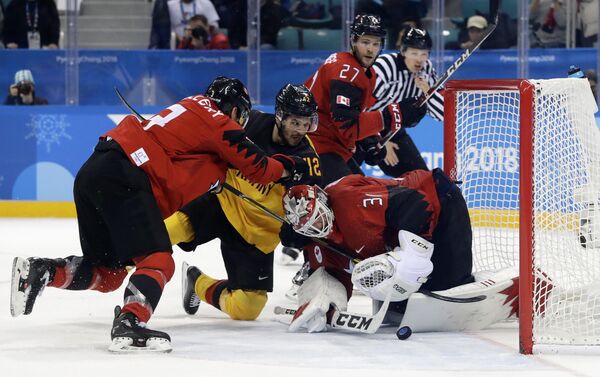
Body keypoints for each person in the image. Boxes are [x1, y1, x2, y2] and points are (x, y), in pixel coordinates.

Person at [10, 76, 309, 353]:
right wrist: (293, 167)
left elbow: (189, 159)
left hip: (95, 171)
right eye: (240, 115)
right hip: (126, 176)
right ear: (232, 110)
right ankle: (130, 323)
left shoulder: (192, 109)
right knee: (158, 259)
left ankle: (42, 271)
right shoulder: (219, 122)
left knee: (109, 274)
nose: (241, 123)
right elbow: (260, 168)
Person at [168, 84, 321, 321]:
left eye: (306, 123)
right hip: (222, 202)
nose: (300, 130)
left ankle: (196, 282)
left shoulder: (307, 159)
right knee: (168, 229)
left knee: (248, 308)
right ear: (280, 116)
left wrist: (293, 231)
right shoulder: (251, 123)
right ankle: (109, 262)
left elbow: (301, 215)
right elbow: (212, 141)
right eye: (295, 122)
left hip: (255, 235)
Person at [280, 169, 480, 332]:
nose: (318, 227)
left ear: (324, 202)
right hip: (403, 230)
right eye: (309, 228)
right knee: (401, 302)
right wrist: (325, 305)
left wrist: (413, 255)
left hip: (439, 199)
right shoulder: (318, 242)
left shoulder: (349, 200)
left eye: (318, 218)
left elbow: (416, 204)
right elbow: (333, 276)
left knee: (449, 286)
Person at [305, 13, 426, 187]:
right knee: (356, 200)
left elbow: (355, 115)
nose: (371, 49)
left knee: (366, 193)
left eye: (376, 44)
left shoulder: (366, 72)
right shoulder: (345, 71)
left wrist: (370, 139)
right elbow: (347, 124)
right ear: (353, 41)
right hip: (315, 146)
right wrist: (392, 116)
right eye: (365, 42)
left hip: (333, 146)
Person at [362, 27, 442, 177]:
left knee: (421, 178)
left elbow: (442, 114)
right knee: (348, 177)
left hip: (393, 129)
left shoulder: (426, 70)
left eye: (424, 54)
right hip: (361, 127)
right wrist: (378, 140)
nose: (419, 59)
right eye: (414, 53)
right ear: (403, 51)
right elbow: (358, 109)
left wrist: (428, 91)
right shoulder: (384, 67)